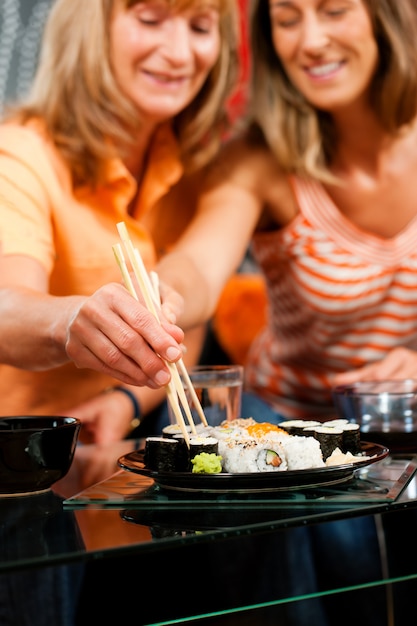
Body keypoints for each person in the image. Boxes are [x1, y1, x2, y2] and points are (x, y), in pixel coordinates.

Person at [0, 0, 240, 444]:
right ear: (90, 30)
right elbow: (5, 305)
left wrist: (123, 401)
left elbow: (184, 318)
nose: (180, 53)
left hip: (114, 461)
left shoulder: (195, 171)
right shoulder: (19, 156)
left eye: (201, 28)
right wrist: (69, 319)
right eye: (150, 20)